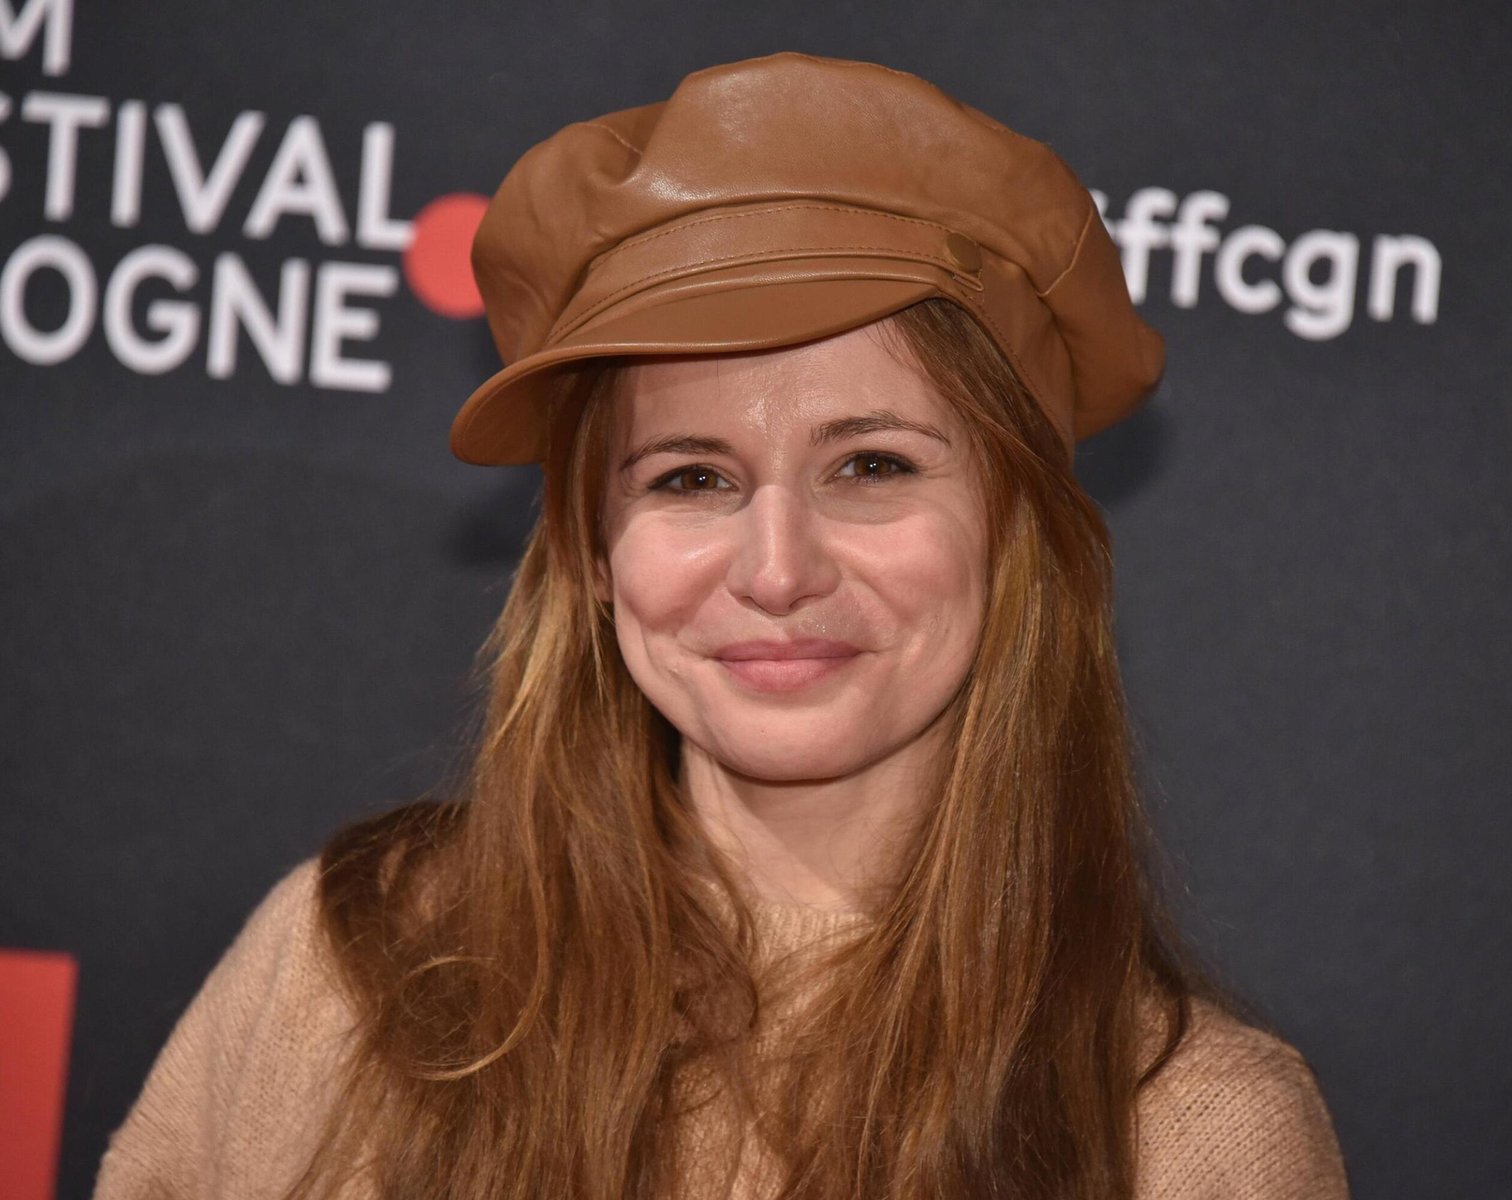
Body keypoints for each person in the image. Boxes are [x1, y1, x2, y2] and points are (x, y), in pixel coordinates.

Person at [93, 51, 1350, 1200]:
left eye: (870, 466)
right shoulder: (356, 968)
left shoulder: (1187, 1137)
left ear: (1016, 530)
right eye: (690, 477)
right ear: (591, 550)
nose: (778, 570)